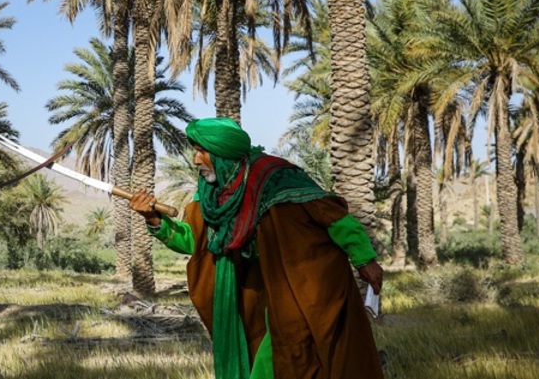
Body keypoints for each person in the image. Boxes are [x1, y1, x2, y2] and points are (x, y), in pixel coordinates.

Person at [129, 117, 383, 379]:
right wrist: (153, 219)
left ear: (222, 152)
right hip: (250, 295)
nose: (196, 160)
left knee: (294, 355)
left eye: (201, 151)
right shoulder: (210, 194)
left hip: (296, 286)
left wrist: (365, 260)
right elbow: (194, 241)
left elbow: (336, 219)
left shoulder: (279, 179)